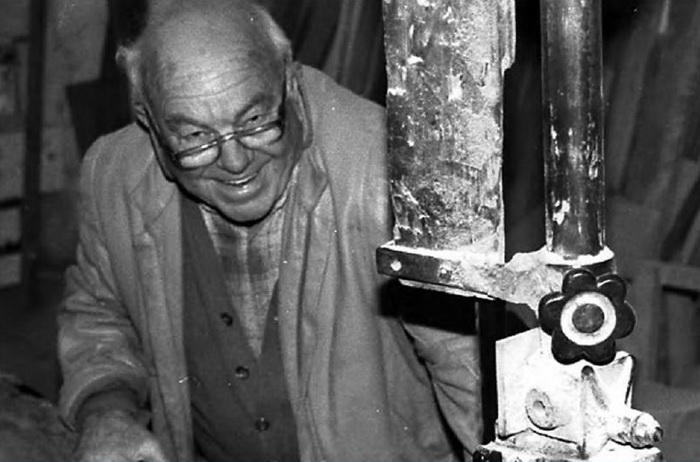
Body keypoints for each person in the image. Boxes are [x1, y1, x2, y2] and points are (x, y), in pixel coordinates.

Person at [58, 0, 482, 460]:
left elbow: (470, 365)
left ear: (290, 85)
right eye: (195, 138)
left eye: (255, 121)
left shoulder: (389, 174)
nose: (235, 162)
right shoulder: (112, 175)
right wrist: (105, 410)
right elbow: (99, 313)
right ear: (149, 123)